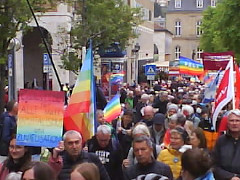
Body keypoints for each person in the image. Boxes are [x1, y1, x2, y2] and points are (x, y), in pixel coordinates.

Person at [212, 109, 240, 180]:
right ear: (227, 123)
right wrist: (230, 177)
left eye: (237, 120)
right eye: (232, 120)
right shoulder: (221, 141)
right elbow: (214, 165)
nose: (234, 123)